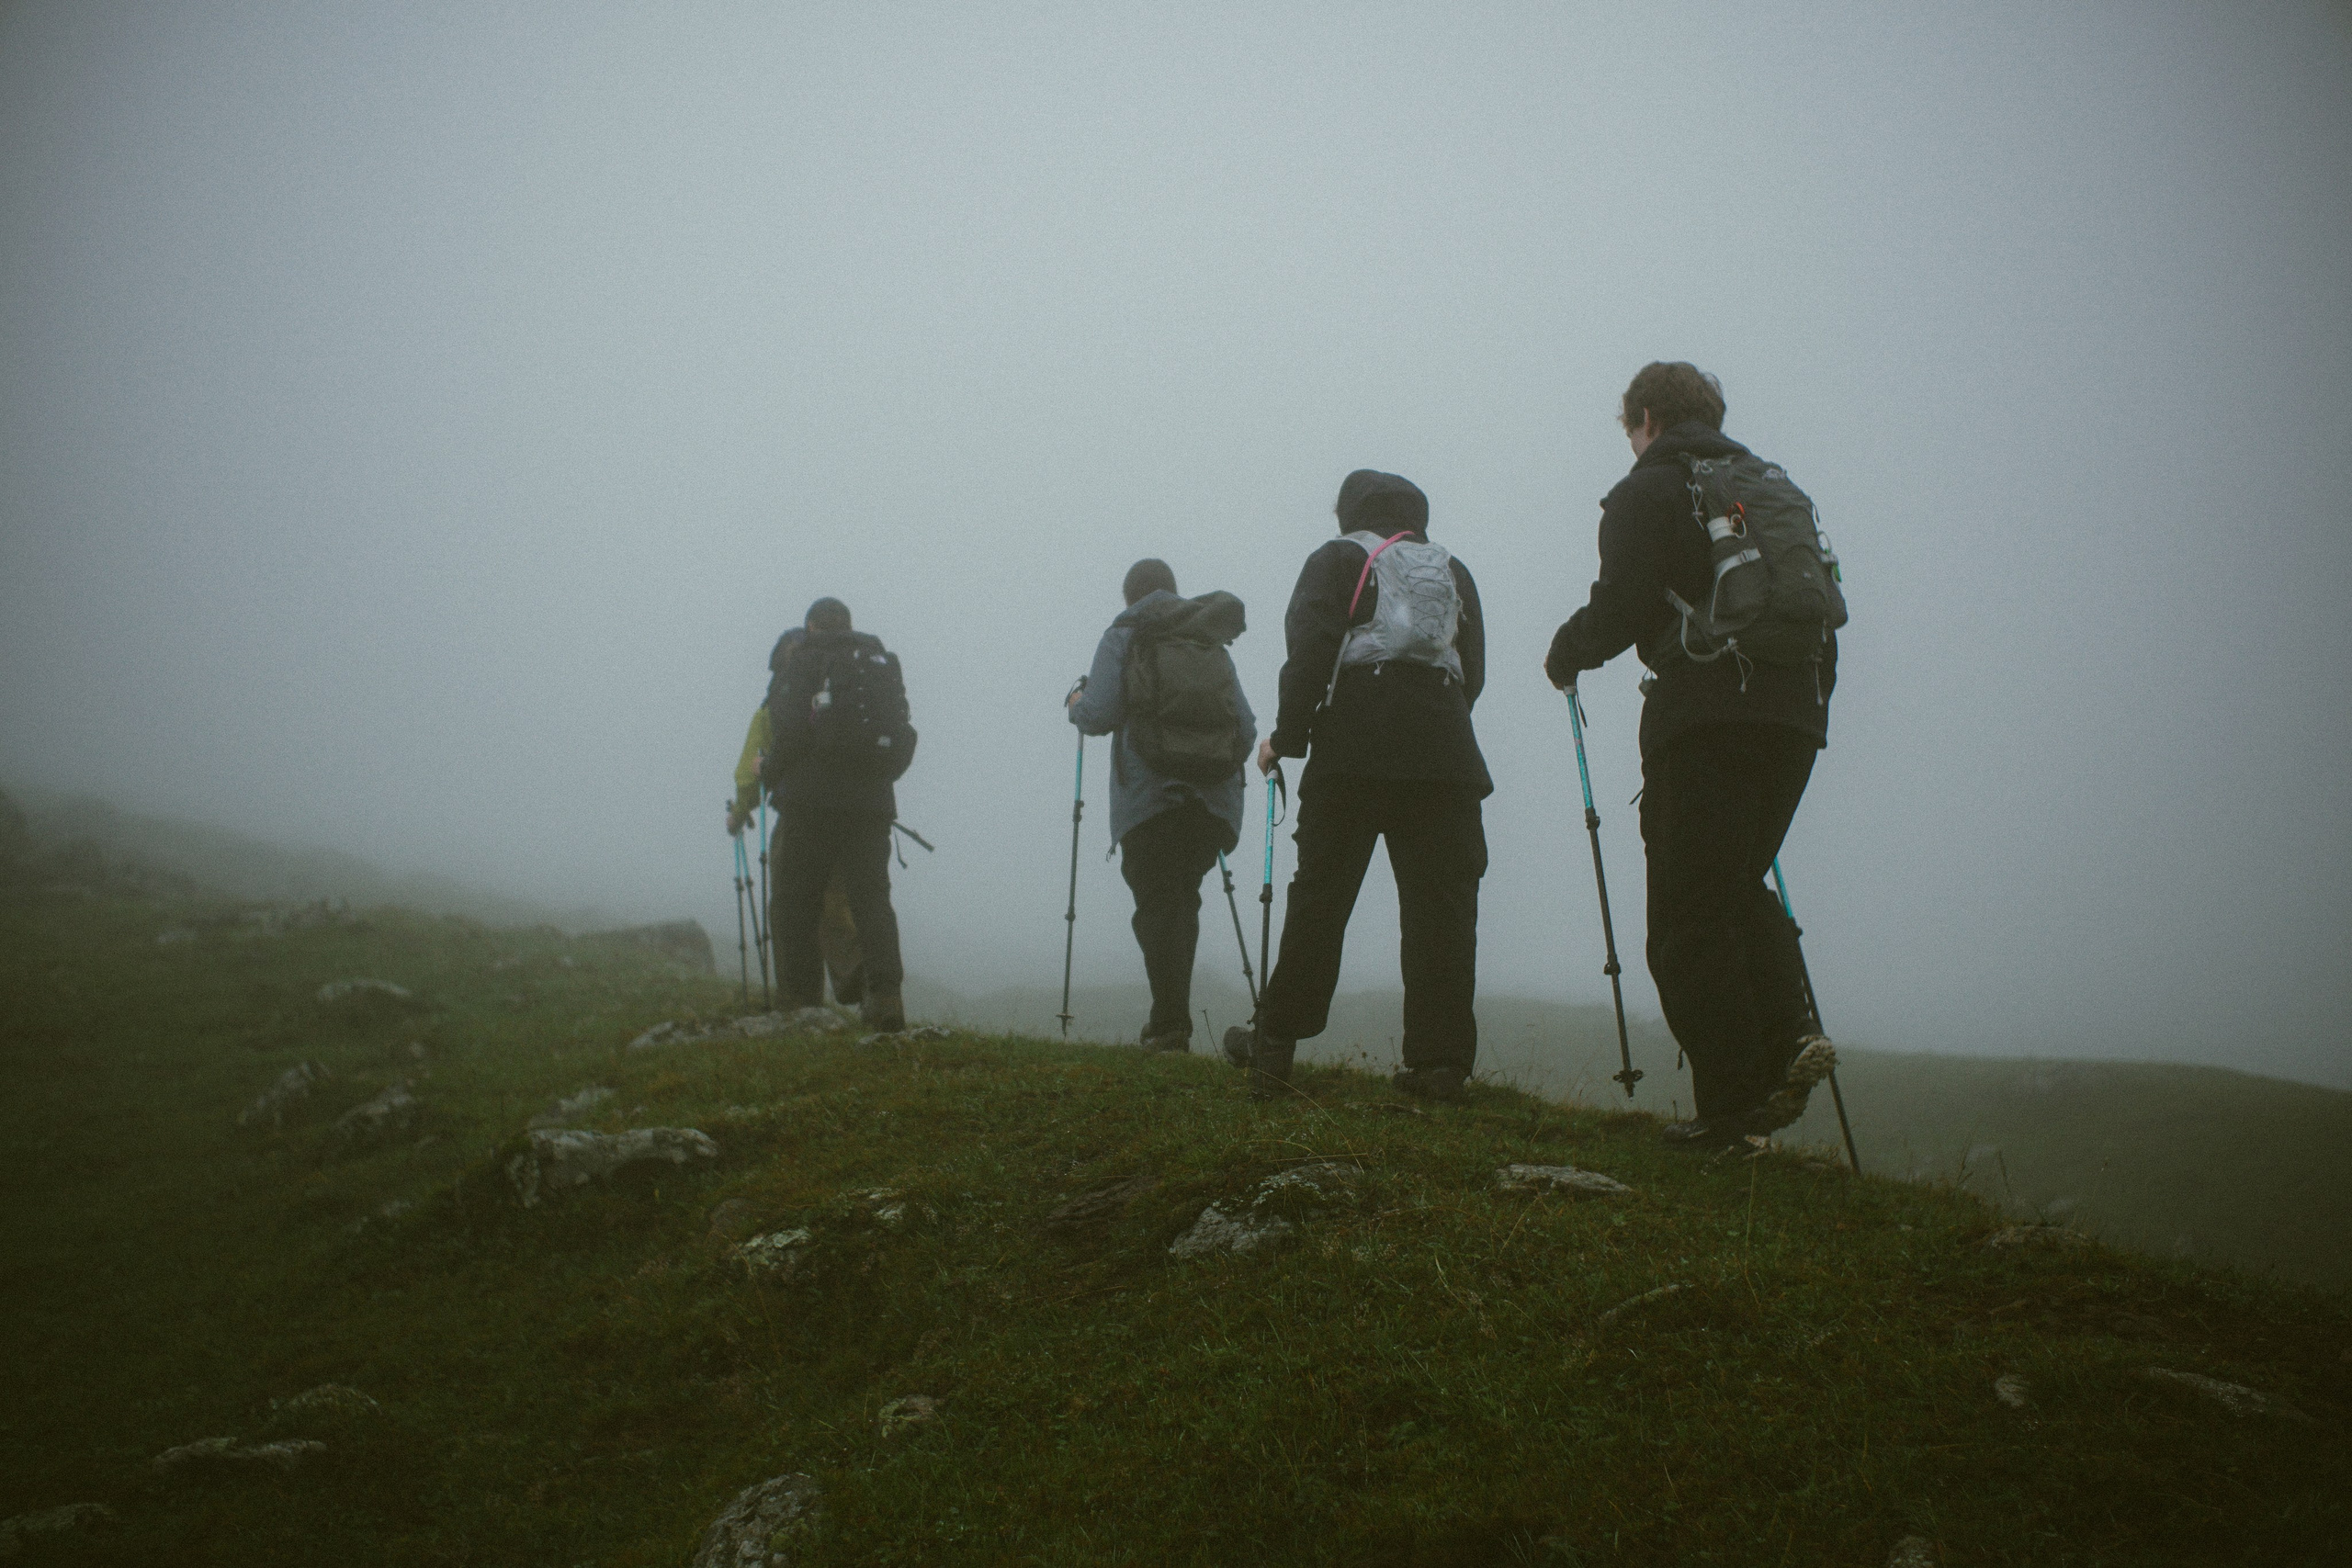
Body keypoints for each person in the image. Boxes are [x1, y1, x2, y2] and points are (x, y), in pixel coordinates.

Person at [1544, 361, 1840, 1147]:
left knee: (1682, 921)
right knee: (1729, 883)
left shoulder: (1647, 490)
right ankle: (1792, 1035)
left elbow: (1623, 605)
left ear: (1646, 416)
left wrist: (1565, 651)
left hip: (1704, 715)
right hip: (1794, 715)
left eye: (1630, 426)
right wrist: (1803, 713)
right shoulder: (1771, 488)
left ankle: (1733, 1106)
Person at [1248, 470, 1490, 1102]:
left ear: (1349, 510)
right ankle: (1440, 1064)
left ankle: (1274, 1042)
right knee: (1442, 908)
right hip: (1445, 754)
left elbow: (1310, 651)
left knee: (1322, 896)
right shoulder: (1452, 568)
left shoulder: (1339, 558)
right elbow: (1474, 670)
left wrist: (1286, 737)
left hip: (1354, 747)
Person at [1067, 559, 1256, 1052]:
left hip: (1149, 797)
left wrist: (1075, 701)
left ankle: (1170, 1025)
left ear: (1130, 596)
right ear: (1173, 590)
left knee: (1157, 903)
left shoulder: (1125, 634)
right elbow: (1247, 725)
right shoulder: (1206, 637)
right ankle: (1169, 1020)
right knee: (1181, 899)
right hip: (1211, 800)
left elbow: (1098, 713)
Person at [758, 597, 916, 1032]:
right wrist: (880, 780)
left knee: (796, 901)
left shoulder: (805, 659)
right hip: (870, 806)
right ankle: (886, 999)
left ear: (811, 626)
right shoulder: (879, 661)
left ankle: (801, 1003)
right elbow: (902, 732)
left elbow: (788, 733)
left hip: (811, 805)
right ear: (848, 624)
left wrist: (767, 772)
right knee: (871, 900)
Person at [727, 706, 863, 1005]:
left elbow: (752, 766)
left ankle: (800, 1000)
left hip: (798, 812)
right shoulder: (844, 685)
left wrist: (740, 810)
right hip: (850, 810)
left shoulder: (782, 697)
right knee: (837, 901)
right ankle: (869, 989)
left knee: (791, 906)